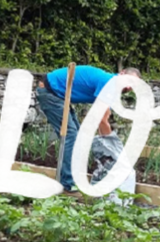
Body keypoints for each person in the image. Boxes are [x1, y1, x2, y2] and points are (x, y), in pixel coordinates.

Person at [35, 65, 141, 197]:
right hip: (50, 91)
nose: (129, 86)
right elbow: (101, 120)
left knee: (76, 137)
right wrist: (112, 148)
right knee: (71, 136)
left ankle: (71, 180)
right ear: (122, 73)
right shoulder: (109, 83)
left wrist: (108, 143)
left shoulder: (111, 87)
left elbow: (104, 116)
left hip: (58, 94)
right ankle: (68, 185)